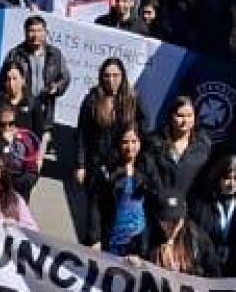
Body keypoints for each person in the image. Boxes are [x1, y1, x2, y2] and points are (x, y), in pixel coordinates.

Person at [72, 59, 145, 235]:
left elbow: (143, 130)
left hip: (121, 165)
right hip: (96, 164)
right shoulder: (92, 100)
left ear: (123, 77)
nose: (111, 79)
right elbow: (82, 133)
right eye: (106, 75)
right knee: (94, 212)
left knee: (116, 212)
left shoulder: (132, 99)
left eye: (115, 75)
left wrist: (136, 160)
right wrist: (80, 165)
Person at [87, 126, 157, 254]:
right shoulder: (106, 170)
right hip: (112, 238)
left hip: (138, 240)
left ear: (140, 143)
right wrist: (95, 239)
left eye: (134, 142)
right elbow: (95, 205)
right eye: (125, 142)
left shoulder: (148, 168)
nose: (130, 147)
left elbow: (154, 202)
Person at [0, 14, 70, 136]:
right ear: (25, 32)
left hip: (45, 111)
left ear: (45, 32)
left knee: (39, 148)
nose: (35, 35)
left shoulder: (54, 54)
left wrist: (56, 87)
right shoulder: (15, 54)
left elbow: (65, 77)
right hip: (20, 112)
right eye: (31, 31)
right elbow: (3, 81)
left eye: (39, 30)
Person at [142, 94, 213, 205]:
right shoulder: (155, 142)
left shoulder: (203, 145)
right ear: (170, 116)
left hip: (190, 209)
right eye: (180, 115)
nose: (185, 121)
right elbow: (150, 176)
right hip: (160, 206)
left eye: (189, 115)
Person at [191, 154, 236, 276]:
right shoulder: (202, 203)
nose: (232, 184)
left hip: (231, 268)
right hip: (203, 267)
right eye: (227, 178)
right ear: (218, 177)